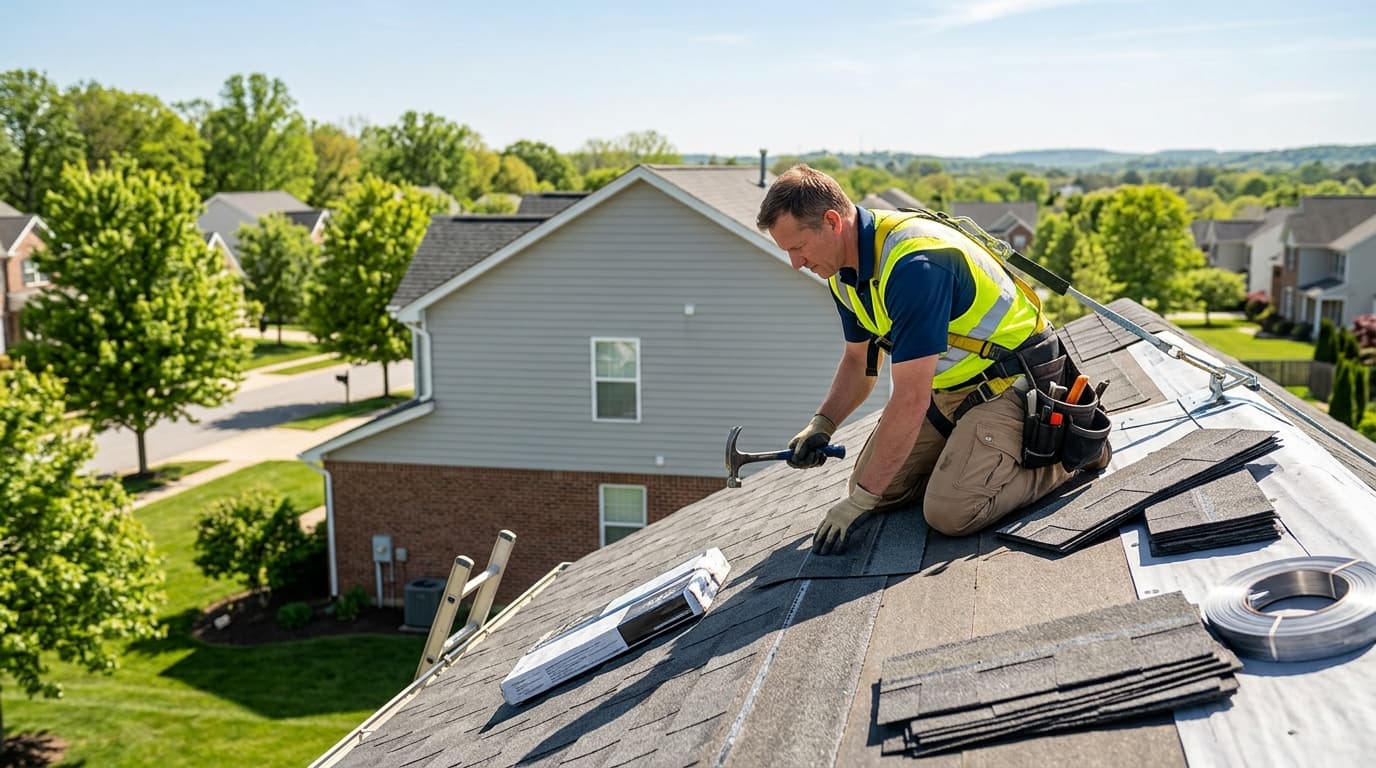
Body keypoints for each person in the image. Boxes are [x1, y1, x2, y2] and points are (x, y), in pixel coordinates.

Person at [757, 165, 1100, 555]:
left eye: (797, 248)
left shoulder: (914, 266)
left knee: (950, 512)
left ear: (832, 222)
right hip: (950, 392)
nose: (796, 264)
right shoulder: (842, 272)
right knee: (874, 489)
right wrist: (823, 424)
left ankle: (1074, 452)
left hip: (1012, 386)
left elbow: (909, 399)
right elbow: (859, 360)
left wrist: (857, 506)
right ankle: (970, 456)